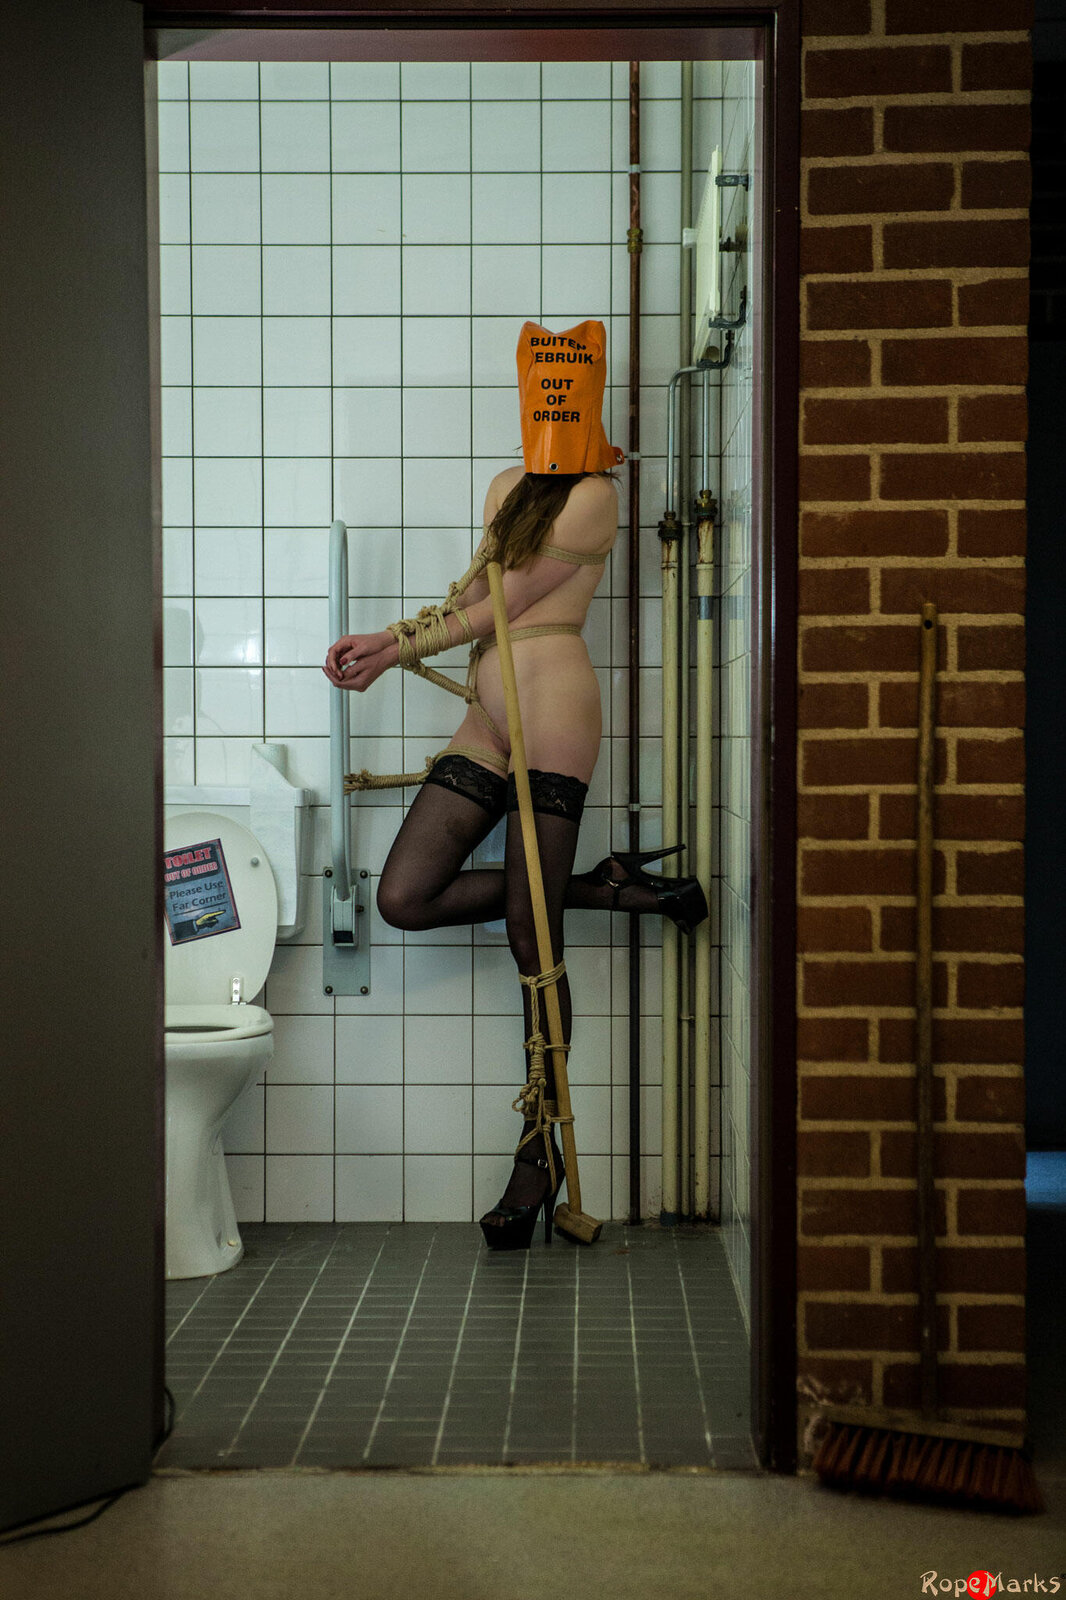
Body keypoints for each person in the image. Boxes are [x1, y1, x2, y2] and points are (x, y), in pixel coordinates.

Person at [323, 320, 706, 1250]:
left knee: (532, 941)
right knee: (405, 896)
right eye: (543, 393)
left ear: (587, 399)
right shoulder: (505, 486)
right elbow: (470, 598)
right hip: (488, 718)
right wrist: (391, 638)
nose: (553, 408)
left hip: (555, 711)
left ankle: (537, 1163)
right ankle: (608, 887)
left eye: (566, 394)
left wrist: (391, 648)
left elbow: (506, 602)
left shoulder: (597, 496)